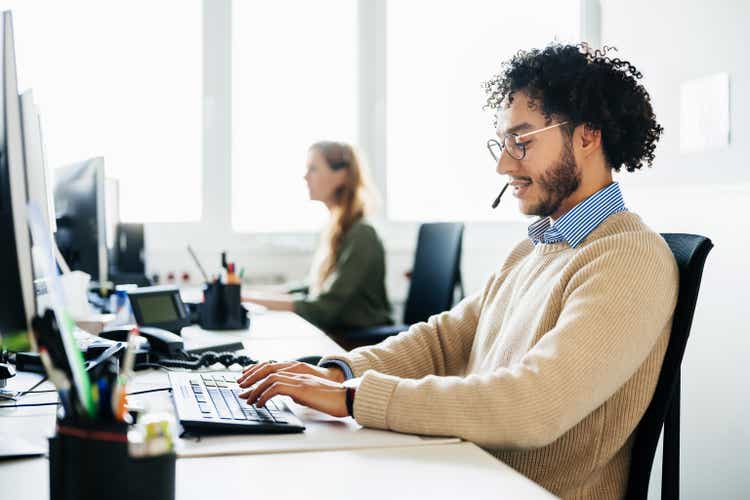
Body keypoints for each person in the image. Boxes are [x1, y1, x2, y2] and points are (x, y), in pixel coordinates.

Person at [236, 44, 677, 499]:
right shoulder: (535, 249)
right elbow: (443, 341)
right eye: (503, 143)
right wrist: (338, 371)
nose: (504, 164)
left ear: (587, 137)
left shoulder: (629, 259)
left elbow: (534, 405)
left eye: (521, 141)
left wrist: (354, 397)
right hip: (471, 472)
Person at [243, 141, 392, 333]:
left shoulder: (362, 235)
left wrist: (247, 299)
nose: (305, 177)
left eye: (313, 169)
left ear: (342, 175)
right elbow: (311, 287)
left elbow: (323, 309)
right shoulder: (334, 228)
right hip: (337, 333)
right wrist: (252, 294)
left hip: (358, 341)